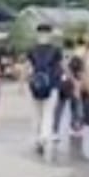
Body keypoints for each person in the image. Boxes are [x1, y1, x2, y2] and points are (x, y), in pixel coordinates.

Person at [26, 24, 63, 155]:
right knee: (48, 113)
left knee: (36, 114)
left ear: (37, 34)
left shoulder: (31, 50)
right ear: (50, 34)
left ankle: (37, 139)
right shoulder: (56, 50)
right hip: (52, 86)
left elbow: (29, 69)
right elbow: (59, 69)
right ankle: (44, 137)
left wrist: (28, 82)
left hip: (35, 86)